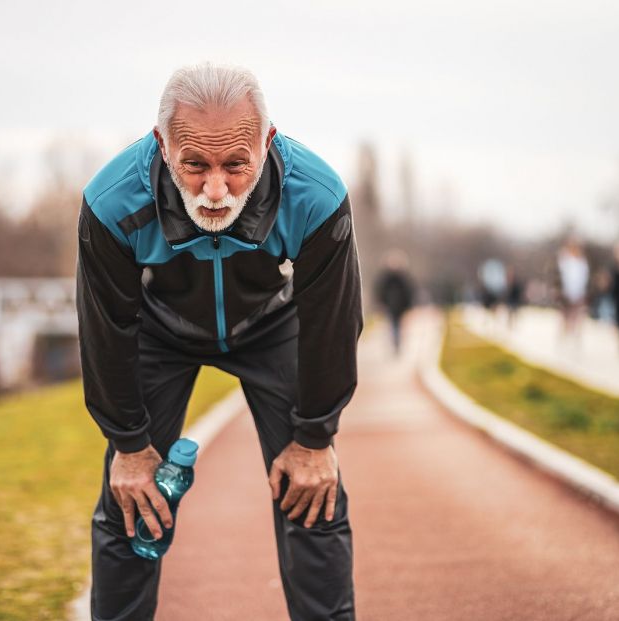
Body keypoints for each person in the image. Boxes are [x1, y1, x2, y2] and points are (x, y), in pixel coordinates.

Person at [76, 63, 362, 621]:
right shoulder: (112, 202)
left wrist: (315, 437)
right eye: (194, 166)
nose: (214, 190)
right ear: (162, 146)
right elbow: (105, 329)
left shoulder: (317, 194)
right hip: (161, 329)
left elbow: (332, 324)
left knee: (313, 493)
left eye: (236, 165)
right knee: (129, 498)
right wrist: (129, 447)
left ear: (267, 141)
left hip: (270, 325)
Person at [374, 249, 415, 354]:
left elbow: (409, 292)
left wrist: (408, 305)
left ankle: (397, 343)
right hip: (390, 306)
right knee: (392, 325)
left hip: (400, 307)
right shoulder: (386, 278)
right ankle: (394, 343)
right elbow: (380, 291)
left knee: (397, 326)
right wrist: (381, 303)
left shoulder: (403, 278)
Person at [556, 238, 589, 347]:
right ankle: (564, 337)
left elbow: (584, 279)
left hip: (578, 294)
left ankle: (575, 338)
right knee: (565, 317)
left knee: (577, 317)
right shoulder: (565, 262)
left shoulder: (582, 263)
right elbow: (559, 276)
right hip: (566, 294)